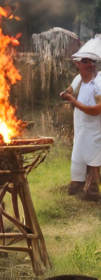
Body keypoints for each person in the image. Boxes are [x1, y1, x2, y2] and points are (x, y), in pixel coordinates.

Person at [60, 53, 101, 201]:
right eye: (85, 61)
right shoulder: (78, 79)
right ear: (77, 64)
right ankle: (78, 183)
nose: (90, 64)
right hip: (81, 125)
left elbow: (98, 109)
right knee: (78, 155)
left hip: (94, 127)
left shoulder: (98, 82)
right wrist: (65, 94)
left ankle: (94, 191)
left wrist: (75, 103)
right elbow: (71, 90)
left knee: (93, 159)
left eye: (92, 61)